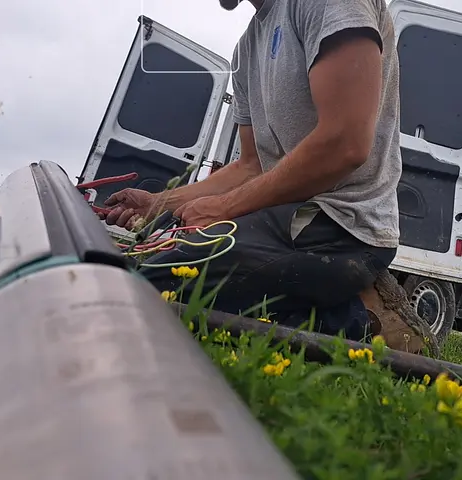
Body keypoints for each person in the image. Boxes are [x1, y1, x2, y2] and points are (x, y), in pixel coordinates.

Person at [100, 0, 436, 353]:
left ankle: (363, 320)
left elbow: (346, 143)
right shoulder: (246, 48)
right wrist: (159, 203)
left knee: (156, 287)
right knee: (160, 267)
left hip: (342, 222)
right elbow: (251, 165)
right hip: (283, 213)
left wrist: (222, 208)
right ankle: (333, 300)